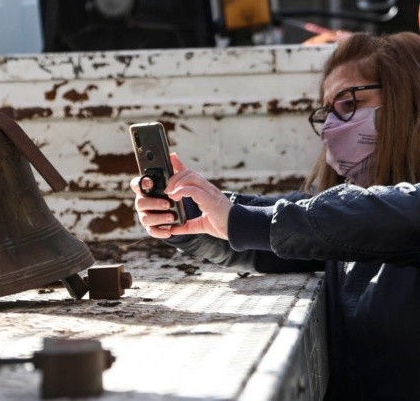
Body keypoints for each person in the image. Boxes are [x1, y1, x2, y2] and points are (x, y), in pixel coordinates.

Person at [131, 31, 420, 400]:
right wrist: (187, 213)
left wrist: (238, 219)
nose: (332, 126)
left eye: (347, 103)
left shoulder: (367, 217)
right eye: (327, 112)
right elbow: (277, 232)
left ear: (406, 97)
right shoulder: (339, 217)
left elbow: (378, 217)